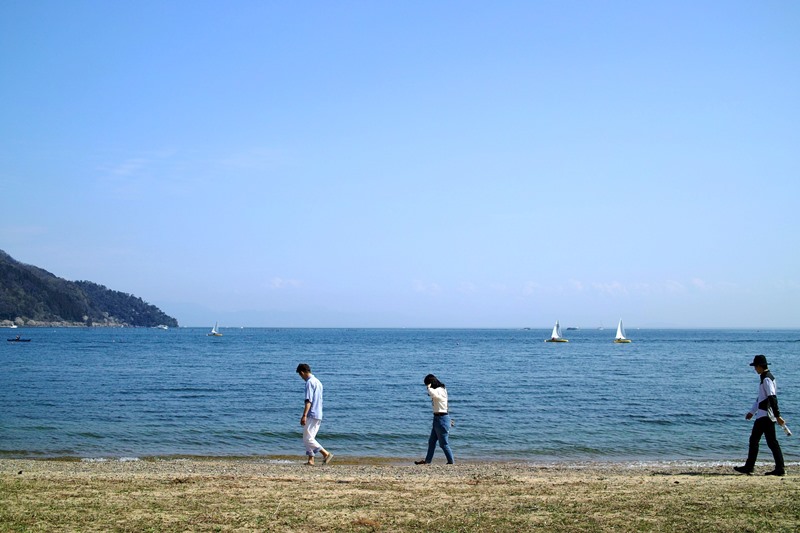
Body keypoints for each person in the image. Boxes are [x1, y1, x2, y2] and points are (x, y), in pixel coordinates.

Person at [734, 354, 786, 476]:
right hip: (764, 415)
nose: (754, 369)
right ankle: (779, 467)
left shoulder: (767, 379)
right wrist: (752, 412)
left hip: (765, 416)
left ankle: (750, 467)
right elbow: (760, 398)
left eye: (755, 366)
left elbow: (772, 397)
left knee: (757, 441)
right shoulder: (766, 377)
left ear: (759, 366)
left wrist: (777, 415)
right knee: (769, 442)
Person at [296, 363, 333, 466]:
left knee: (307, 438)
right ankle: (311, 460)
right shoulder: (318, 382)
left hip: (312, 413)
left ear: (302, 372)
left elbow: (308, 401)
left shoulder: (309, 382)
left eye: (300, 375)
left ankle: (325, 454)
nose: (301, 377)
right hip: (319, 413)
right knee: (310, 437)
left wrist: (304, 415)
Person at [415, 374, 455, 465]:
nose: (426, 387)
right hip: (437, 418)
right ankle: (427, 461)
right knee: (431, 442)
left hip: (442, 419)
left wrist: (429, 388)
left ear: (431, 383)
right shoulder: (439, 390)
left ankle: (451, 462)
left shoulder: (440, 390)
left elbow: (433, 394)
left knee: (443, 444)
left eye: (427, 384)